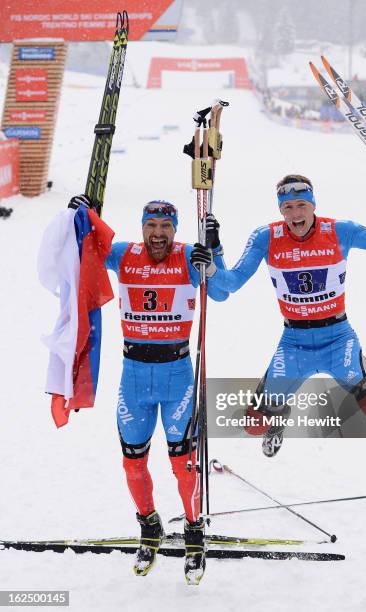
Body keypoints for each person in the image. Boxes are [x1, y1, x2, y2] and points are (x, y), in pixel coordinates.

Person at [195, 174, 366, 458]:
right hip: (294, 343)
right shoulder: (266, 237)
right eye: (287, 208)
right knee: (254, 425)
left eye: (300, 205)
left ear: (312, 204)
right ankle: (277, 419)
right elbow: (230, 283)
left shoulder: (340, 230)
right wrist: (214, 253)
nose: (295, 214)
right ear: (281, 210)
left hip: (337, 338)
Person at [68, 195, 227, 584]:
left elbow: (221, 292)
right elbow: (82, 251)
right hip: (134, 377)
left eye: (166, 228)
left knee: (183, 464)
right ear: (143, 228)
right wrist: (81, 217)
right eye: (152, 227)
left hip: (177, 377)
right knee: (132, 461)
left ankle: (193, 534)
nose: (158, 235)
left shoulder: (190, 256)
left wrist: (215, 253)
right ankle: (150, 526)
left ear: (175, 229)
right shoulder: (123, 254)